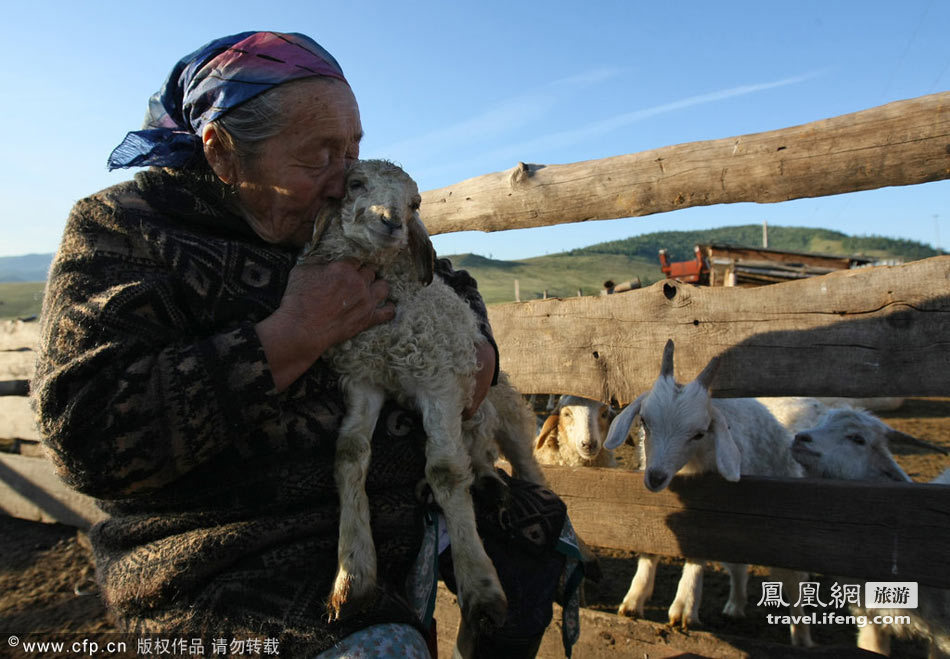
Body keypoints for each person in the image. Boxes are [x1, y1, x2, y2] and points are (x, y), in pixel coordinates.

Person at [31, 31, 581, 658]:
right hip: (231, 548)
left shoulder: (342, 207)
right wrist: (289, 336)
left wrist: (479, 349)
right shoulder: (126, 231)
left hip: (409, 496)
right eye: (319, 155)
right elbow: (89, 436)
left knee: (532, 546)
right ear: (222, 154)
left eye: (353, 148)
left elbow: (446, 280)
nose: (344, 176)